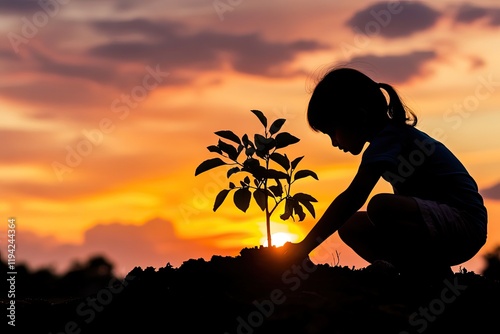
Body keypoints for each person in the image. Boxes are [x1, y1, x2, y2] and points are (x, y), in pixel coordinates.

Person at [283, 67, 487, 282]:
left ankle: (432, 274)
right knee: (351, 226)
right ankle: (410, 272)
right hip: (442, 225)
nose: (334, 142)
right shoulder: (389, 139)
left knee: (381, 206)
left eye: (333, 132)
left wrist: (304, 246)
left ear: (359, 116)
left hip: (464, 225)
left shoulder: (391, 138)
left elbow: (354, 196)